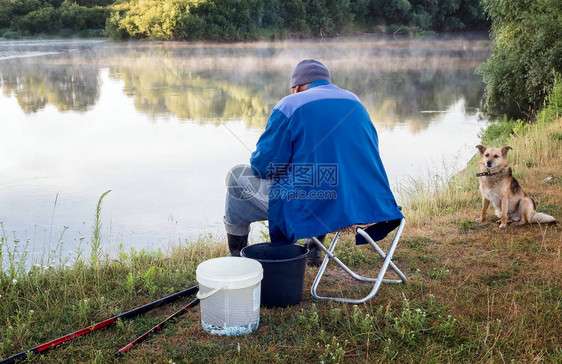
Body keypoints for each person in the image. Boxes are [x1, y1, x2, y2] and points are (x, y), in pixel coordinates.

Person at [224, 59, 403, 265]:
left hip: (316, 206)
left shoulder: (289, 105)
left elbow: (262, 167)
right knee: (321, 175)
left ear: (297, 87)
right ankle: (313, 249)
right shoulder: (355, 102)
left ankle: (236, 259)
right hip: (366, 203)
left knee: (237, 177)